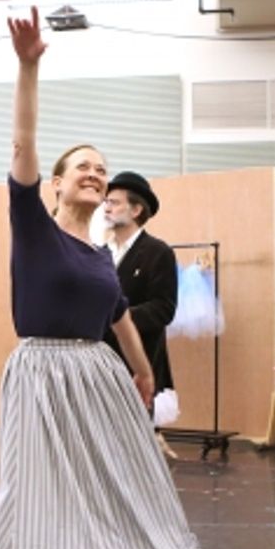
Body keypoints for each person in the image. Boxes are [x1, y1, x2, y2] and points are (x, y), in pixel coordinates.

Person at [0, 8, 248, 549]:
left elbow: (117, 314)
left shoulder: (98, 253)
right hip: (44, 378)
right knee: (44, 506)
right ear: (54, 183)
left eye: (101, 170)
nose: (96, 174)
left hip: (101, 380)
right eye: (83, 166)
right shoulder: (34, 228)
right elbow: (22, 144)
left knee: (127, 499)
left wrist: (141, 369)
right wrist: (28, 67)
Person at [101, 170, 180, 453]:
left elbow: (163, 309)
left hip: (137, 363)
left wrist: (118, 319)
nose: (106, 208)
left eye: (114, 202)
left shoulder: (158, 252)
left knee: (135, 448)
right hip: (100, 362)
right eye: (105, 202)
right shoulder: (99, 253)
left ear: (136, 210)